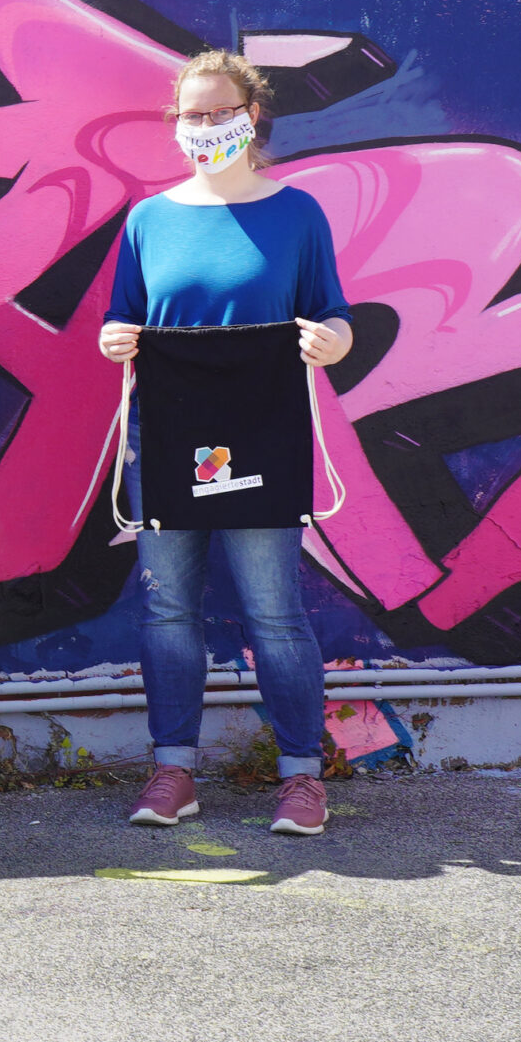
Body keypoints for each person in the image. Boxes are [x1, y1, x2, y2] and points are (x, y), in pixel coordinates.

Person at [101, 49, 354, 838]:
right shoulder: (148, 220)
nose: (206, 126)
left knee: (273, 612)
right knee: (168, 608)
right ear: (174, 125)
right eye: (192, 114)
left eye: (221, 112)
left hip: (265, 435)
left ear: (253, 116)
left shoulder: (297, 213)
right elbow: (124, 320)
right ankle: (173, 768)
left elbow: (336, 314)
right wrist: (114, 341)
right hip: (169, 438)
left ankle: (303, 777)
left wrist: (331, 343)